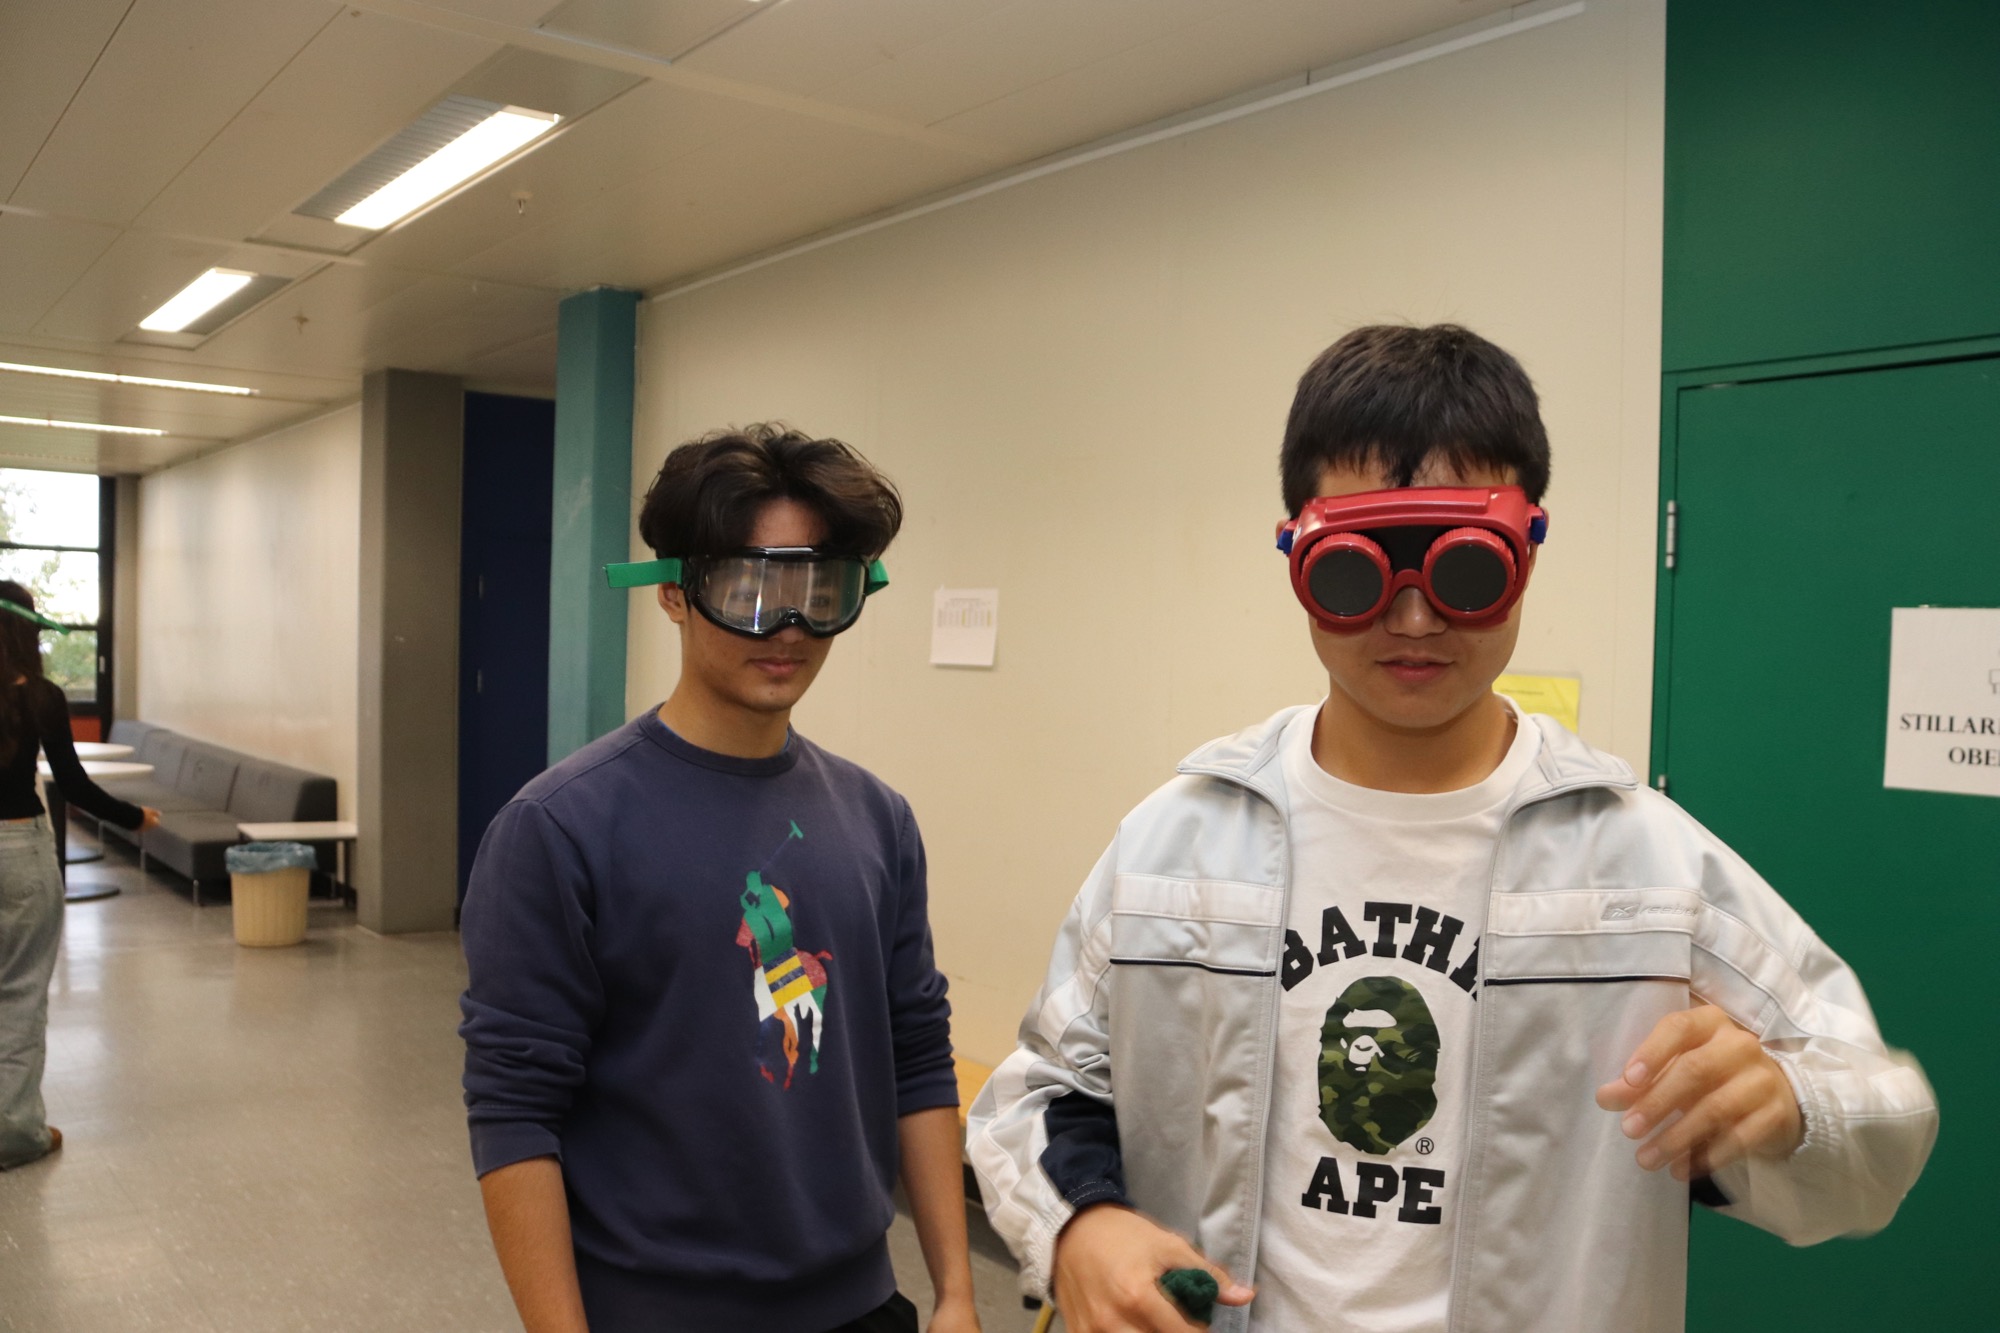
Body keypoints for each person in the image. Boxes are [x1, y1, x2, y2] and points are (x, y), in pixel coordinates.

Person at [967, 325, 1938, 1333]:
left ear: (1528, 553)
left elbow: (1881, 1121)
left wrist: (1787, 1103)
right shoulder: (1177, 844)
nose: (1415, 617)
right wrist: (1080, 1223)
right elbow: (1039, 1093)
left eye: (1465, 569)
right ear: (1295, 554)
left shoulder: (1645, 869)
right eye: (1356, 573)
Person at [460, 426, 980, 1333]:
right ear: (674, 591)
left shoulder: (877, 817)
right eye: (750, 589)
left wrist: (958, 1293)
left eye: (821, 591)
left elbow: (917, 1053)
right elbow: (514, 1112)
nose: (790, 626)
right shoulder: (560, 828)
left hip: (861, 1304)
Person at [0, 582, 159, 1170]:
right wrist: (134, 817)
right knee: (19, 994)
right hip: (19, 850)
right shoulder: (41, 696)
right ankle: (15, 1134)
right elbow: (72, 786)